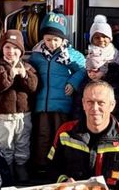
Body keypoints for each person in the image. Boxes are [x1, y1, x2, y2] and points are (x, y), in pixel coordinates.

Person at [26, 12, 85, 174]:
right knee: (42, 134)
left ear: (63, 39)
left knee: (61, 135)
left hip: (62, 104)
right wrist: (28, 68)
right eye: (48, 39)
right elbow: (30, 68)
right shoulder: (37, 55)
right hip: (42, 104)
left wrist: (73, 83)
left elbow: (83, 69)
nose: (51, 43)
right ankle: (42, 166)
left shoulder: (71, 55)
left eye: (55, 40)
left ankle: (60, 166)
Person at [0, 30, 39, 183]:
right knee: (5, 144)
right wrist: (10, 72)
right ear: (2, 49)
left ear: (21, 51)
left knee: (23, 142)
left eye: (15, 48)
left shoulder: (28, 67)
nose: (11, 52)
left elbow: (34, 87)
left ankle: (21, 166)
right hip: (4, 116)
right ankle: (6, 170)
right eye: (7, 47)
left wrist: (25, 76)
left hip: (24, 115)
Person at [87, 15, 119, 93]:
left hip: (112, 88)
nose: (101, 39)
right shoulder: (90, 55)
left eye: (104, 36)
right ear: (92, 40)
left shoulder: (114, 54)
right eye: (97, 37)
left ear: (110, 38)